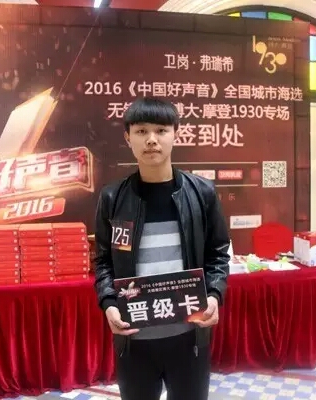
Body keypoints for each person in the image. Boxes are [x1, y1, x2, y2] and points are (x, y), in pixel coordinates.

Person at [94, 97, 230, 400]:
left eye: (161, 130)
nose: (151, 140)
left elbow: (218, 253)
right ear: (128, 138)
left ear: (176, 134)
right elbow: (103, 260)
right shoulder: (112, 198)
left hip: (190, 337)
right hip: (134, 337)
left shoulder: (202, 193)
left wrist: (214, 294)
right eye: (141, 131)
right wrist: (109, 303)